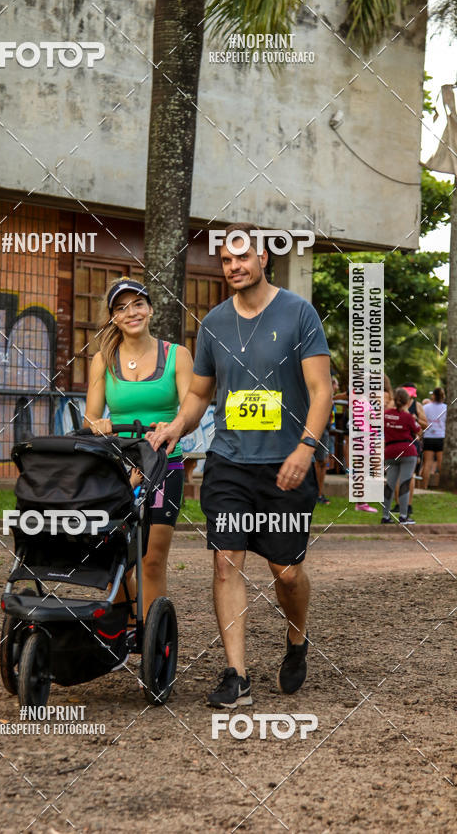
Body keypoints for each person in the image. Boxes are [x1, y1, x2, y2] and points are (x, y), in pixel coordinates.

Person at [147, 224, 332, 708]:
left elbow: (321, 391)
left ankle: (296, 640)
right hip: (228, 462)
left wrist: (305, 449)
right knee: (227, 562)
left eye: (242, 258)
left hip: (285, 465)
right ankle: (237, 675)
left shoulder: (298, 314)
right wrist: (174, 428)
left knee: (286, 573)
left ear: (264, 258)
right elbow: (200, 395)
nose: (234, 267)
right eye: (226, 261)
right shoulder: (213, 325)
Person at [84, 277, 193, 619]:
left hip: (164, 467)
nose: (131, 313)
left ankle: (151, 641)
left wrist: (174, 426)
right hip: (119, 472)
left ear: (150, 308)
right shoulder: (103, 360)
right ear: (113, 317)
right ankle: (123, 627)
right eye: (121, 307)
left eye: (138, 304)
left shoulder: (177, 355)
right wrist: (97, 424)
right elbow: (91, 416)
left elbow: (191, 408)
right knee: (115, 561)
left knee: (152, 560)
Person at [382, 387, 420, 525]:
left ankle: (385, 515)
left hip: (390, 451)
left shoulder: (386, 414)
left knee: (390, 484)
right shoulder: (408, 416)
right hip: (407, 451)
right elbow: (417, 429)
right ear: (407, 402)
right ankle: (403, 516)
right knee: (404, 483)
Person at [397, 383, 427, 517]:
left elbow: (425, 425)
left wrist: (416, 419)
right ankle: (398, 504)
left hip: (412, 442)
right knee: (397, 475)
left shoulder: (418, 405)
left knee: (410, 476)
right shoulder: (395, 404)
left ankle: (408, 505)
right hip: (396, 442)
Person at [314, 375, 338, 504]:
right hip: (318, 430)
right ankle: (316, 493)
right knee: (318, 462)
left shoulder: (331, 398)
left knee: (323, 462)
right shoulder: (319, 394)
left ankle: (319, 493)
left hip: (326, 431)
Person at [421, 387, 447, 489]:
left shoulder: (426, 407)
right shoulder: (446, 407)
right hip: (441, 437)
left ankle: (424, 487)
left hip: (429, 437)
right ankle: (442, 487)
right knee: (441, 464)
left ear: (433, 396)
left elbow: (423, 420)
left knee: (427, 463)